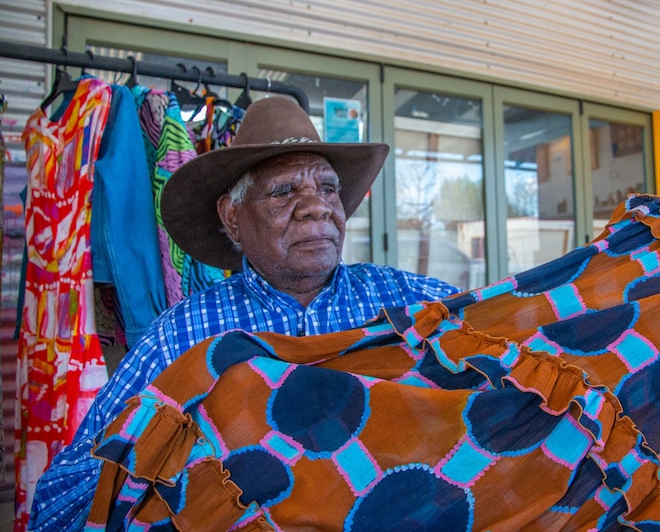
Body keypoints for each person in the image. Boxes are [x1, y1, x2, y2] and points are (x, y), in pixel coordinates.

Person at [27, 96, 461, 531]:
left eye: (328, 188)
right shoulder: (182, 336)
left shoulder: (416, 305)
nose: (318, 205)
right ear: (232, 217)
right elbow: (67, 492)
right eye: (284, 191)